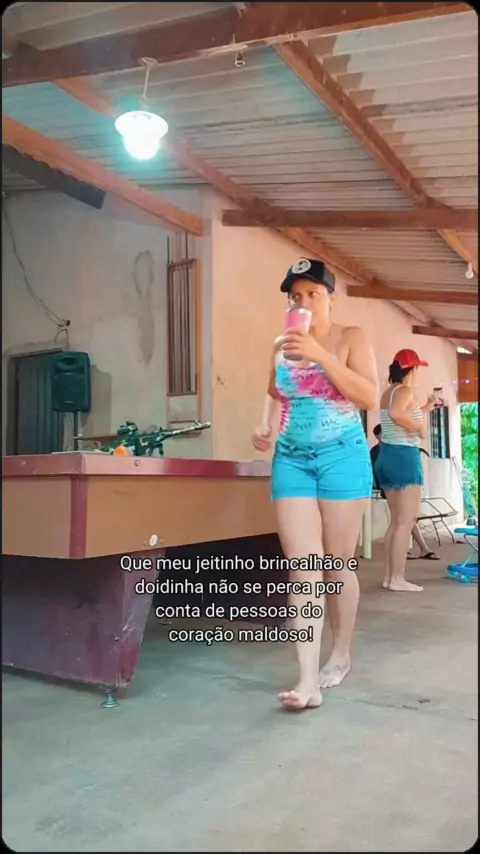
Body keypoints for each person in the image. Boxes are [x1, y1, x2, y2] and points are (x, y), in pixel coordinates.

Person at [252, 258, 378, 711]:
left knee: (336, 565)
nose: (303, 302)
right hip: (292, 459)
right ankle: (308, 681)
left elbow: (369, 396)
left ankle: (340, 652)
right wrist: (264, 425)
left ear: (330, 298)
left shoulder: (350, 337)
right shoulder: (280, 344)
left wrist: (321, 355)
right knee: (303, 567)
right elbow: (274, 391)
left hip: (343, 456)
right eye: (296, 296)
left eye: (313, 294)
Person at [374, 350, 437, 592]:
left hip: (387, 456)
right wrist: (420, 428)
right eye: (418, 368)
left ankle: (389, 577)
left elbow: (401, 413)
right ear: (413, 369)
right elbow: (397, 414)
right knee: (406, 521)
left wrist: (427, 407)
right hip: (404, 457)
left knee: (397, 522)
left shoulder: (389, 392)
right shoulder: (405, 391)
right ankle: (397, 579)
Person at [370, 424, 439, 561]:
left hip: (395, 484)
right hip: (391, 485)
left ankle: (418, 549)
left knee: (405, 520)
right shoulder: (379, 451)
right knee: (402, 520)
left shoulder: (390, 448)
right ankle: (407, 550)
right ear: (378, 436)